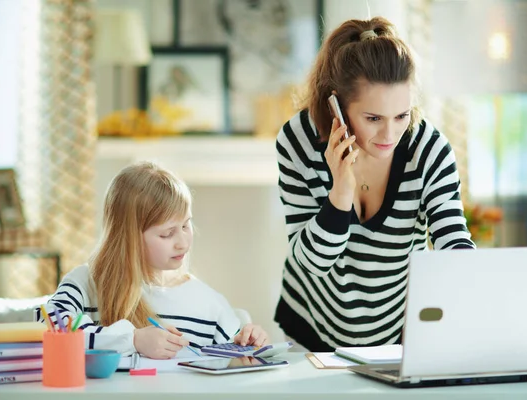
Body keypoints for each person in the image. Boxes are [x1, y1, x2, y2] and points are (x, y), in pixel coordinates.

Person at [274, 17, 475, 352]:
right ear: (335, 105)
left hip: (395, 332)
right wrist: (340, 190)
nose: (390, 135)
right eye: (373, 119)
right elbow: (312, 263)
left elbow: (452, 239)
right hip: (310, 326)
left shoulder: (429, 150)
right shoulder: (297, 142)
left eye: (401, 116)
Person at [36, 162, 269, 359]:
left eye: (186, 225)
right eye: (167, 233)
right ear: (128, 237)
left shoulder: (210, 305)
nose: (182, 242)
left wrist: (248, 344)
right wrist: (133, 340)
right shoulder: (84, 283)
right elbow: (48, 326)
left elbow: (234, 365)